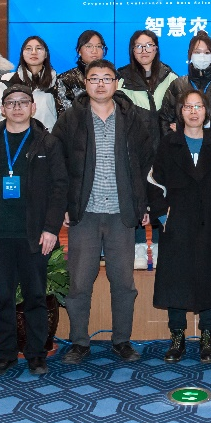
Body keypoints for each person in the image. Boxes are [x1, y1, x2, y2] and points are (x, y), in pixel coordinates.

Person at [52, 60, 153, 364]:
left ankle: (122, 340)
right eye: (94, 78)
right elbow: (58, 165)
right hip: (85, 213)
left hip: (122, 213)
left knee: (123, 283)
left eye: (107, 78)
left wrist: (142, 204)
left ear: (116, 84)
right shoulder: (70, 119)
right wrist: (64, 205)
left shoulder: (133, 118)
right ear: (85, 83)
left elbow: (145, 165)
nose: (100, 84)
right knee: (79, 283)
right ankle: (79, 342)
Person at [0, 84, 69, 377]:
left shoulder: (47, 143)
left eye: (23, 102)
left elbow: (60, 188)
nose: (17, 107)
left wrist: (51, 228)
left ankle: (36, 355)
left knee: (35, 297)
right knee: (2, 297)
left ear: (33, 107)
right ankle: (4, 355)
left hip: (34, 236)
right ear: (2, 109)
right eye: (11, 102)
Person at [149, 90, 211, 364]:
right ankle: (177, 337)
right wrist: (163, 217)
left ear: (206, 111)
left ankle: (207, 337)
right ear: (180, 112)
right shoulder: (168, 144)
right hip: (177, 224)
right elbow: (153, 182)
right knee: (176, 279)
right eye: (188, 107)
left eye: (198, 106)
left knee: (208, 278)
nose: (193, 112)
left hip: (209, 223)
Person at [118, 29, 179, 269]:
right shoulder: (121, 79)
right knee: (136, 197)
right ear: (132, 50)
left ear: (156, 48)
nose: (144, 51)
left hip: (165, 151)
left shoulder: (171, 78)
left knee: (163, 199)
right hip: (134, 151)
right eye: (139, 46)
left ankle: (165, 247)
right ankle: (139, 248)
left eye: (149, 45)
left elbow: (180, 111)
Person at [159, 31, 211, 153]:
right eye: (197, 52)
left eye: (207, 52)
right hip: (184, 154)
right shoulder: (177, 85)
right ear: (190, 55)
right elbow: (165, 121)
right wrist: (177, 149)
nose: (202, 56)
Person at [0, 34, 58, 130]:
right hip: (15, 135)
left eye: (39, 48)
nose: (34, 52)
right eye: (28, 49)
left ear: (46, 54)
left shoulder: (57, 82)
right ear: (22, 54)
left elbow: (63, 115)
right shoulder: (7, 81)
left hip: (49, 136)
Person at [56, 29, 107, 115]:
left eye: (99, 46)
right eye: (89, 46)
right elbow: (64, 113)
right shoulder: (65, 79)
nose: (94, 51)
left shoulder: (112, 77)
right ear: (79, 51)